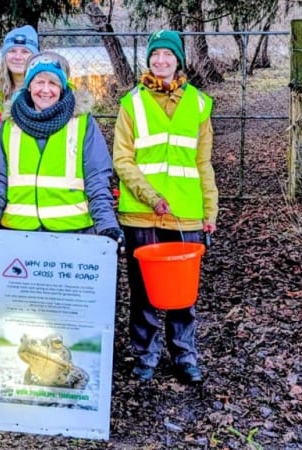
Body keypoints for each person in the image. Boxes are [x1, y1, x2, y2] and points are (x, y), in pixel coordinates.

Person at [112, 30, 218, 385]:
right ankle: (146, 354)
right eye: (155, 55)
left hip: (185, 213)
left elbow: (203, 163)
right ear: (148, 61)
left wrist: (210, 210)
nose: (161, 61)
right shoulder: (132, 104)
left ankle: (184, 354)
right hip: (140, 212)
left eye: (167, 55)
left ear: (178, 60)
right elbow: (123, 160)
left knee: (181, 292)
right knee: (143, 289)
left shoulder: (200, 104)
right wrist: (150, 196)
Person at [0, 51, 123, 252]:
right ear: (29, 85)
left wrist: (107, 227)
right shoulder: (10, 124)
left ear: (62, 87)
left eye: (53, 83)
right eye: (39, 82)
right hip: (18, 234)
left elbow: (97, 182)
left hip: (73, 235)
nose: (45, 90)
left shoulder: (82, 123)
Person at [0, 25, 39, 108]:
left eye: (25, 52)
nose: (18, 57)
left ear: (34, 57)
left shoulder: (45, 88)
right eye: (12, 51)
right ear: (5, 56)